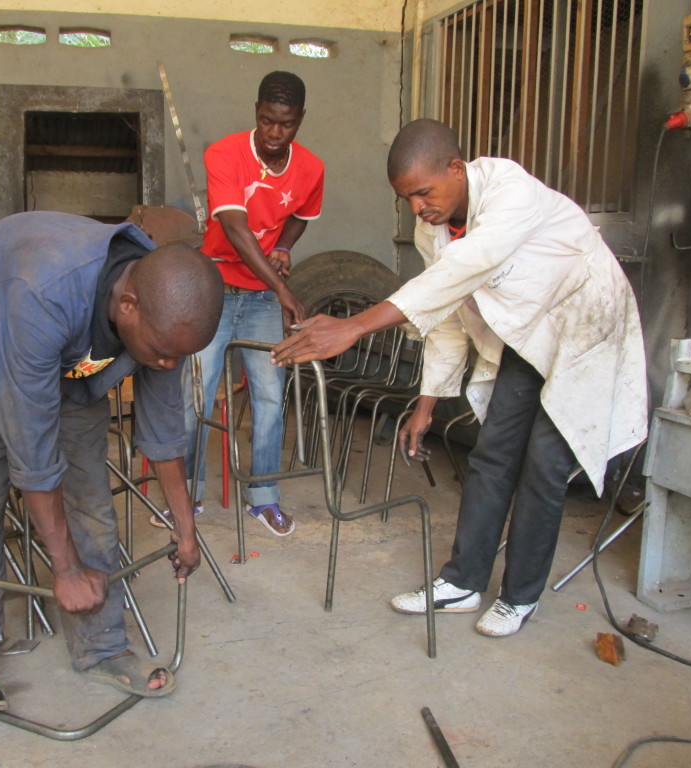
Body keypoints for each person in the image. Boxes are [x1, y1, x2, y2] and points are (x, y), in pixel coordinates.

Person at [272, 119, 647, 637]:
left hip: (586, 328)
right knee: (493, 453)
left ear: (456, 169)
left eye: (423, 191)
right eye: (406, 198)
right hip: (530, 333)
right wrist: (425, 405)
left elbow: (459, 271)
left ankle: (520, 597)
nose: (418, 207)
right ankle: (463, 582)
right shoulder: (434, 227)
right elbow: (445, 312)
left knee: (543, 466)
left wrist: (356, 326)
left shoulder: (511, 192)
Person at [0, 211, 223, 711]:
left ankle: (101, 648)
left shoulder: (164, 317)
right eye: (162, 354)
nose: (169, 364)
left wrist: (186, 529)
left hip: (67, 351)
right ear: (127, 307)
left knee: (90, 495)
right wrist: (64, 568)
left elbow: (164, 430)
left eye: (179, 357)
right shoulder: (44, 291)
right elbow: (30, 444)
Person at [150, 70, 324, 537]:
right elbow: (234, 228)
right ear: (256, 113)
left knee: (270, 396)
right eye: (267, 120)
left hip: (263, 299)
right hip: (214, 291)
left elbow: (303, 215)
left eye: (285, 124)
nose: (274, 133)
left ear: (300, 120)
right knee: (196, 396)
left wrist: (284, 248)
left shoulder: (310, 168)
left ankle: (263, 497)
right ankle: (186, 494)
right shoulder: (224, 154)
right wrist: (285, 289)